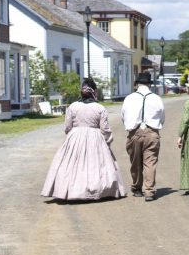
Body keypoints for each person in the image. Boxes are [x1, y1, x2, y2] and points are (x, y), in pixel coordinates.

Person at [41, 83, 127, 201]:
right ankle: (98, 190)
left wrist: (72, 137)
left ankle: (71, 190)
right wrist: (106, 143)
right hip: (95, 137)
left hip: (75, 136)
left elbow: (67, 127)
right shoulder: (100, 108)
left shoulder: (73, 106)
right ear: (94, 92)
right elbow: (105, 129)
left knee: (71, 165)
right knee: (95, 165)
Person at [122, 71, 165, 201]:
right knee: (150, 162)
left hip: (134, 132)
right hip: (152, 132)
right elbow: (162, 118)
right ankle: (149, 191)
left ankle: (137, 188)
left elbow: (123, 116)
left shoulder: (129, 98)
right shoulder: (156, 98)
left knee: (135, 162)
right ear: (149, 84)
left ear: (137, 84)